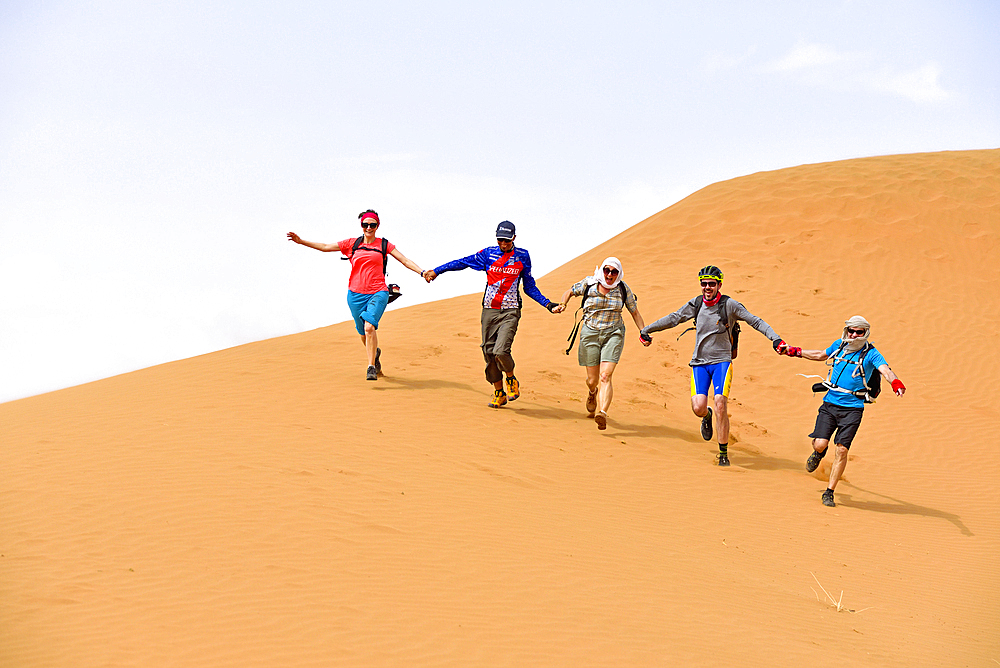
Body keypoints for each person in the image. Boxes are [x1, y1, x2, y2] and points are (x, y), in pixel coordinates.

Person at [640, 265, 787, 466]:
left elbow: (756, 321)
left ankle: (723, 453)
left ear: (719, 285)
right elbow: (674, 318)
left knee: (720, 402)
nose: (707, 287)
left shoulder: (730, 305)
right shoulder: (697, 304)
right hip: (699, 363)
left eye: (711, 284)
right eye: (704, 284)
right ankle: (706, 416)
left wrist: (776, 339)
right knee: (698, 407)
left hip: (722, 362)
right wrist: (647, 329)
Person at [423, 221, 564, 408]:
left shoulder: (522, 256)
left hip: (511, 310)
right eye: (500, 240)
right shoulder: (488, 254)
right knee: (488, 352)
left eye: (506, 240)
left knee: (501, 351)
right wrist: (437, 271)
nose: (503, 244)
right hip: (489, 310)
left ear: (514, 238)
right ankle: (499, 392)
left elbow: (529, 285)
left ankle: (511, 379)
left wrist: (547, 304)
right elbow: (462, 262)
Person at [777, 316, 906, 507]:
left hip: (853, 409)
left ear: (865, 333)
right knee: (820, 444)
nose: (854, 335)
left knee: (842, 450)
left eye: (858, 332)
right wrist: (795, 352)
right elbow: (821, 355)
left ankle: (829, 492)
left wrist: (895, 382)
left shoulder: (872, 354)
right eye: (851, 331)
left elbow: (885, 370)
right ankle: (819, 453)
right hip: (830, 404)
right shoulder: (839, 345)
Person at [287, 210, 425, 381]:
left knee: (369, 327)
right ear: (361, 226)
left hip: (378, 292)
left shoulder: (384, 245)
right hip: (355, 295)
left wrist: (422, 272)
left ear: (377, 226)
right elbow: (324, 247)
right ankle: (375, 353)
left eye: (372, 225)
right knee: (362, 334)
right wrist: (301, 242)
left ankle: (371, 367)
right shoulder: (352, 244)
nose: (368, 227)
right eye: (365, 224)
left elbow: (405, 260)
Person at [557, 257, 648, 430]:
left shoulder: (622, 288)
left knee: (605, 375)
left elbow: (635, 312)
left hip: (613, 333)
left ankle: (603, 412)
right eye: (607, 270)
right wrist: (563, 304)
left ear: (618, 274)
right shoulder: (590, 283)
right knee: (592, 380)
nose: (610, 274)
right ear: (602, 271)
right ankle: (592, 392)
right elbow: (569, 292)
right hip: (590, 333)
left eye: (614, 272)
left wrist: (643, 332)